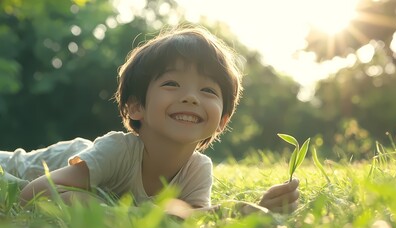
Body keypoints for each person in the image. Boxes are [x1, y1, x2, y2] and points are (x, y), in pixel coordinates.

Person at [0, 25, 299, 214]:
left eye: (207, 89)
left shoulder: (197, 170)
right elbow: (32, 193)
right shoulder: (118, 151)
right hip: (16, 169)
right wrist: (115, 214)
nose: (191, 97)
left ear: (222, 120)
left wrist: (248, 211)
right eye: (172, 84)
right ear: (135, 108)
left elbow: (192, 219)